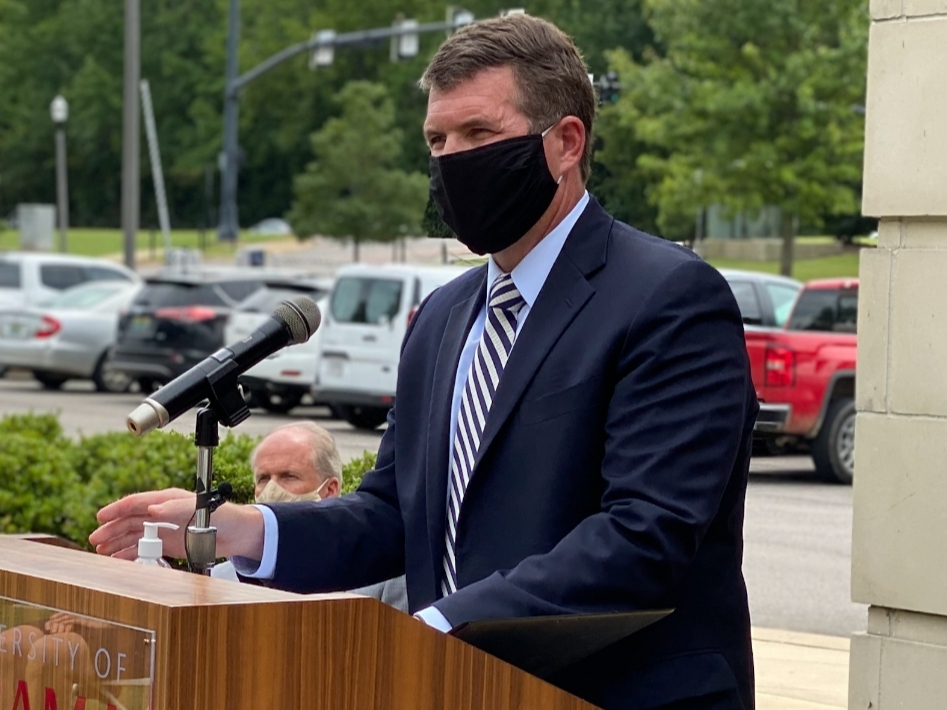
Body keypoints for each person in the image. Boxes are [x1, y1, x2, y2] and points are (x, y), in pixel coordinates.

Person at [91, 14, 757, 710]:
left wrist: (435, 628)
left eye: (479, 134)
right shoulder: (441, 316)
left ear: (565, 143)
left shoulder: (668, 297)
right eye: (437, 140)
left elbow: (644, 535)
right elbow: (395, 514)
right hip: (459, 689)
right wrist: (240, 529)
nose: (452, 160)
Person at [211, 422, 408, 613]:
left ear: (330, 490)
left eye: (289, 476)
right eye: (263, 478)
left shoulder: (382, 577)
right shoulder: (221, 579)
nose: (272, 489)